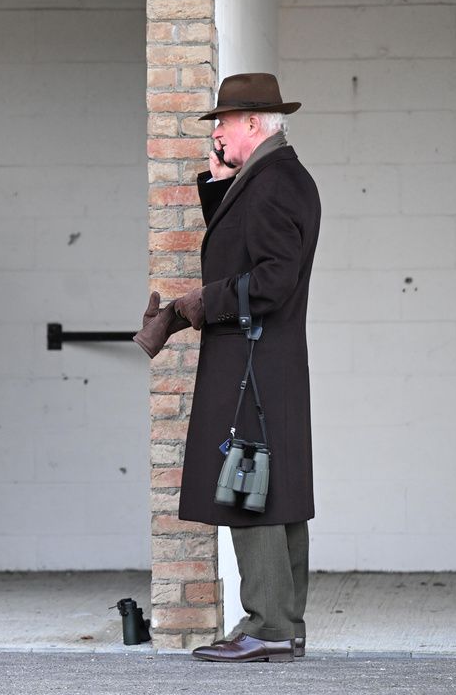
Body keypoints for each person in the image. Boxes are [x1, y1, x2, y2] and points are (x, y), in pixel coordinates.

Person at [135, 73, 321, 662]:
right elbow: (242, 247)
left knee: (250, 489)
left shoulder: (272, 184)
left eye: (223, 121)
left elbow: (272, 279)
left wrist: (198, 304)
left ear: (252, 124)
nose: (216, 131)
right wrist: (219, 188)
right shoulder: (272, 177)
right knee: (277, 489)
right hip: (267, 359)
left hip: (253, 362)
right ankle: (282, 624)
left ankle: (267, 627)